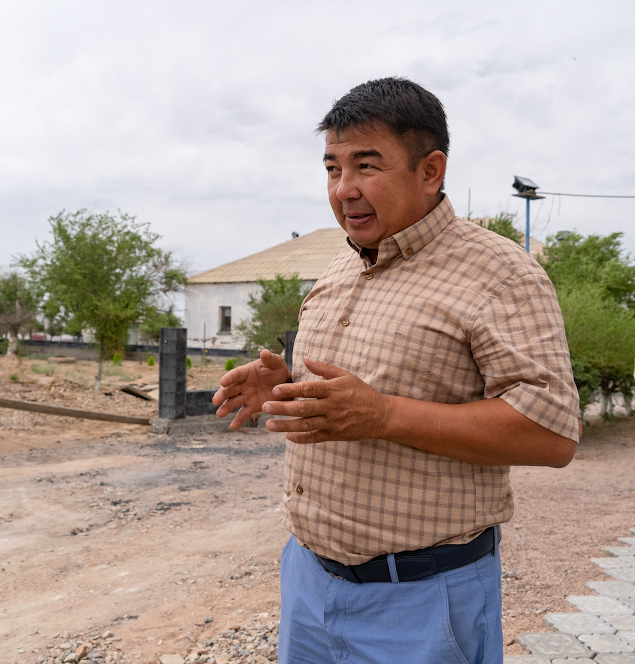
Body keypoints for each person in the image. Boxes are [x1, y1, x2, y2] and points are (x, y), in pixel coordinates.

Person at [212, 77, 579, 664]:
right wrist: (285, 387)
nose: (344, 189)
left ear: (430, 171)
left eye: (366, 165)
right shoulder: (340, 266)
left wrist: (383, 414)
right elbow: (353, 393)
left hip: (424, 599)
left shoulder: (501, 275)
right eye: (332, 168)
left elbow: (552, 434)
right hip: (308, 579)